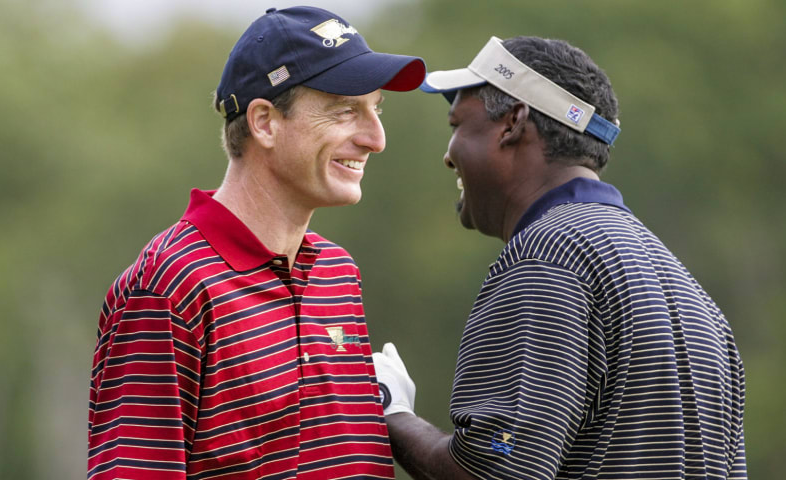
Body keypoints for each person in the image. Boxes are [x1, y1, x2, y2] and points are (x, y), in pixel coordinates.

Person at [373, 36, 747, 479]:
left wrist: (392, 411)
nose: (448, 155)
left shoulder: (547, 258)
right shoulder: (686, 288)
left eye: (457, 125)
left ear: (512, 123)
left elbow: (490, 472)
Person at [87, 6, 426, 479]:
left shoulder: (337, 272)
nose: (376, 138)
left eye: (377, 109)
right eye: (346, 110)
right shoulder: (169, 288)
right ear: (264, 122)